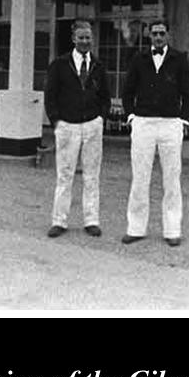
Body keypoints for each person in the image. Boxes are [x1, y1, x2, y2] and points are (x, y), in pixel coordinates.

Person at [121, 19, 189, 246]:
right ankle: (135, 228)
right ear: (149, 36)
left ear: (168, 36)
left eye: (162, 34)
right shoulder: (139, 59)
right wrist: (132, 116)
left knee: (172, 179)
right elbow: (127, 91)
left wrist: (183, 119)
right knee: (140, 178)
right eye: (154, 34)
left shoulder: (179, 59)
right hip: (143, 123)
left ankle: (172, 230)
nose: (158, 37)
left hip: (171, 124)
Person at [43, 20, 110, 238]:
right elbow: (50, 95)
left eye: (88, 38)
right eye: (81, 37)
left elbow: (105, 97)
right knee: (65, 175)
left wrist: (101, 118)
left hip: (92, 125)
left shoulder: (98, 66)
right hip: (67, 126)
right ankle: (59, 221)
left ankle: (91, 220)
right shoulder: (60, 64)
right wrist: (56, 121)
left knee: (92, 175)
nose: (84, 41)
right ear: (73, 39)